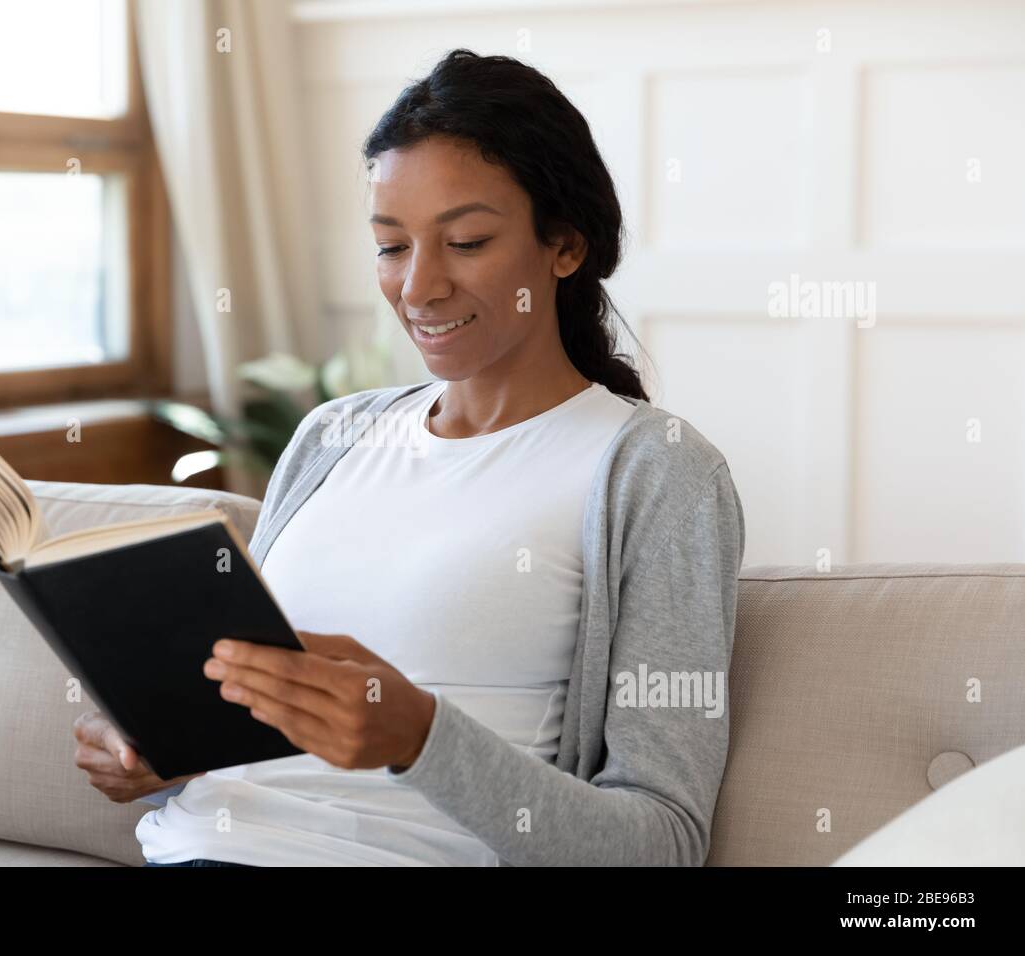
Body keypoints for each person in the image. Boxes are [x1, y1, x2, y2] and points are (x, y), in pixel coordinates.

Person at [73, 47, 745, 867]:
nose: (419, 287)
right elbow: (253, 747)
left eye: (464, 242)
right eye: (391, 247)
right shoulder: (331, 437)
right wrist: (159, 750)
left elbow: (662, 845)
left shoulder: (657, 472)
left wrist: (421, 737)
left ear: (565, 246)